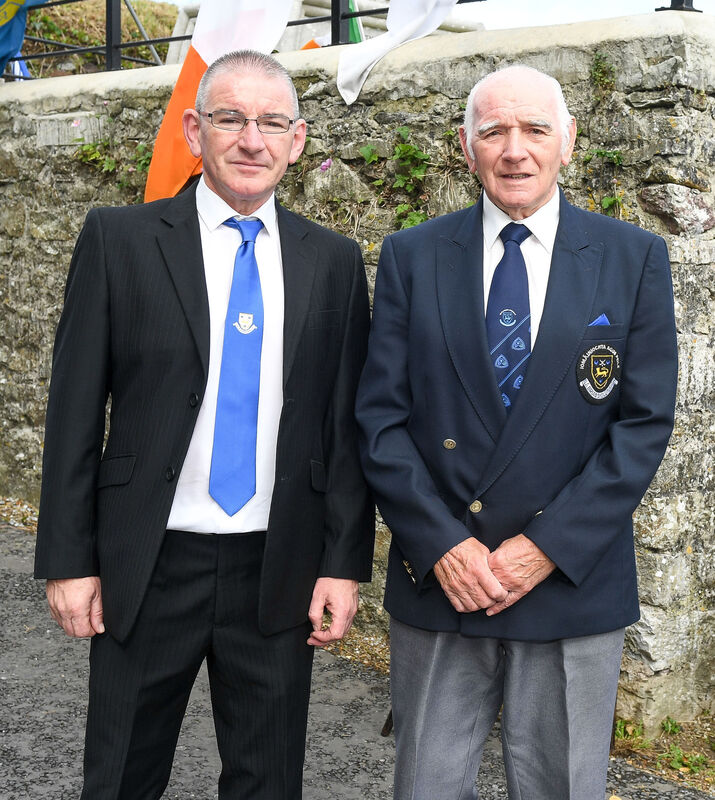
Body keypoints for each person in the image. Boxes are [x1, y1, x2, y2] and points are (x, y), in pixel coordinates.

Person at [34, 49, 374, 800]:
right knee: (121, 773)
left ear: (298, 138)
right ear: (195, 130)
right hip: (146, 560)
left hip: (277, 567)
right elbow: (73, 410)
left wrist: (343, 563)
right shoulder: (119, 240)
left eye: (271, 122)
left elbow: (344, 426)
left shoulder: (335, 262)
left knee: (268, 780)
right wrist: (68, 558)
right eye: (230, 119)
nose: (251, 140)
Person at [355, 64, 678, 800]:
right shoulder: (411, 256)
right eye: (493, 130)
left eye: (534, 129)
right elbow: (379, 419)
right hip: (443, 581)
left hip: (570, 581)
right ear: (464, 147)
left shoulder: (631, 259)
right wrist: (442, 545)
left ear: (566, 142)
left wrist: (544, 548)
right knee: (425, 788)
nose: (514, 149)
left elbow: (640, 426)